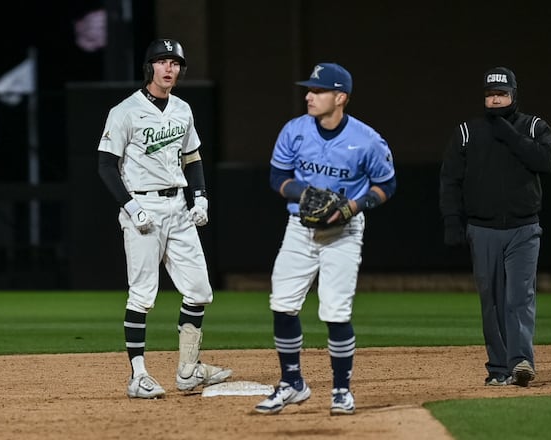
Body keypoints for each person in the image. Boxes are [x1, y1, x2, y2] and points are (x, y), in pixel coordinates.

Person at [254, 63, 397, 415]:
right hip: (300, 229)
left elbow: (387, 185)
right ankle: (292, 384)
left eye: (317, 91)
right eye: (309, 90)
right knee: (282, 303)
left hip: (343, 233)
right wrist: (304, 192)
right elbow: (278, 177)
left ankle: (341, 391)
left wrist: (351, 208)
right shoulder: (295, 131)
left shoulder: (367, 140)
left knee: (335, 310)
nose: (309, 95)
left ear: (340, 97)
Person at [97, 38, 232, 399]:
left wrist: (200, 197)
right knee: (142, 295)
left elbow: (193, 158)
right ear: (149, 67)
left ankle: (188, 370)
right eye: (162, 61)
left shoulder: (183, 110)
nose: (169, 68)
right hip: (143, 208)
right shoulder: (126, 111)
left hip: (178, 209)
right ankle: (138, 375)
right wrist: (129, 206)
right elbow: (106, 165)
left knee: (200, 291)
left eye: (174, 63)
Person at [439, 67, 551, 387]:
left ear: (513, 95)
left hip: (524, 228)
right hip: (482, 229)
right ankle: (499, 368)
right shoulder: (467, 131)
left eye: (501, 94)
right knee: (491, 301)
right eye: (491, 95)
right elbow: (450, 179)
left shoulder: (533, 127)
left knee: (518, 297)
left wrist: (511, 136)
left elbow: (546, 162)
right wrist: (452, 220)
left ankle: (520, 361)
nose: (495, 100)